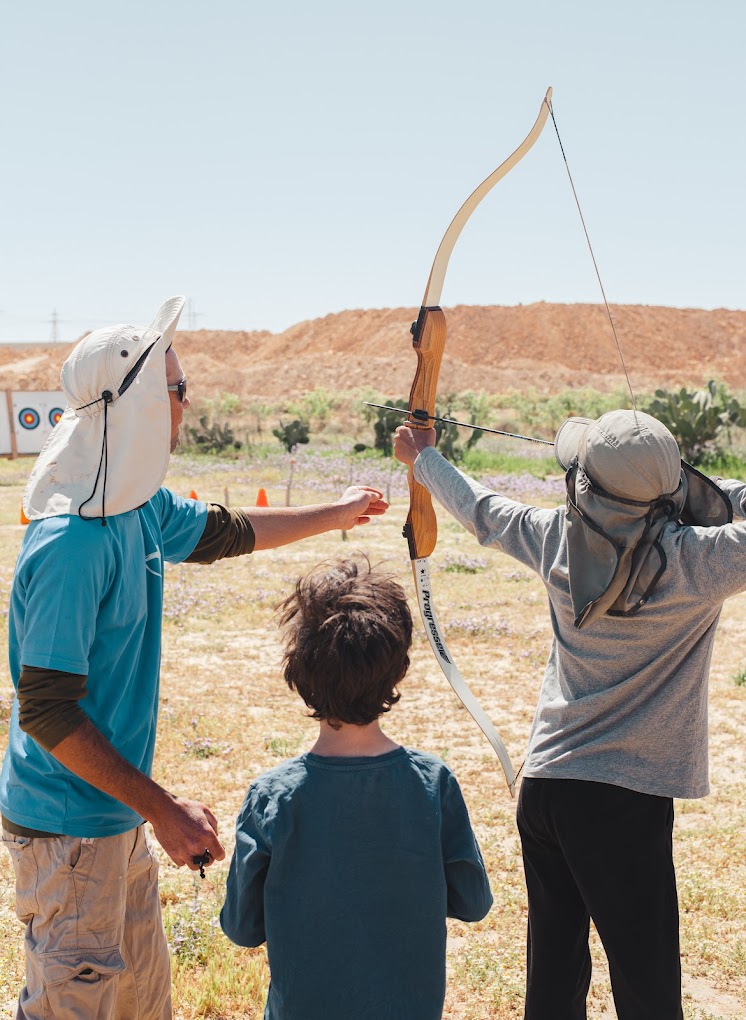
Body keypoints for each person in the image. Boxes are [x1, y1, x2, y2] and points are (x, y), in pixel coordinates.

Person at [0, 296, 389, 1020]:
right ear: (143, 404)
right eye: (178, 389)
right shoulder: (72, 543)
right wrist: (162, 809)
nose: (187, 403)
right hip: (67, 830)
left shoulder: (134, 504)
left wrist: (338, 515)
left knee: (141, 1006)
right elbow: (47, 712)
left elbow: (226, 531)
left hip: (112, 813)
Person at [393, 408, 745, 1020]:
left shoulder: (555, 536)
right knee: (648, 987)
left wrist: (424, 458)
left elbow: (483, 510)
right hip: (625, 801)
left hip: (548, 788)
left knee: (553, 983)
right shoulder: (698, 559)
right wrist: (696, 485)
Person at [220, 555, 493, 1020]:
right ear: (398, 668)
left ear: (298, 673)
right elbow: (473, 902)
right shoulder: (434, 783)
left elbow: (242, 928)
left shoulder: (271, 797)